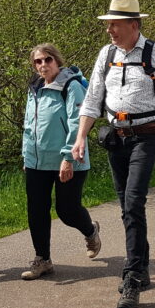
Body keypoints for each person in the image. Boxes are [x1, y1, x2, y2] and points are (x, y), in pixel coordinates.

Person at [72, 0, 155, 308]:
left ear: (134, 25)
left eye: (115, 24)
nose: (109, 30)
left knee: (133, 202)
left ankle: (132, 278)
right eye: (108, 24)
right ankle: (143, 267)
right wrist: (80, 138)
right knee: (127, 206)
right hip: (114, 139)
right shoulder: (106, 54)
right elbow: (92, 100)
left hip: (145, 137)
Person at [20, 44, 101, 281]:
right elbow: (28, 124)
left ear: (57, 60)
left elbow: (77, 122)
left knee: (67, 211)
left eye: (47, 59)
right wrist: (27, 156)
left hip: (68, 160)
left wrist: (67, 158)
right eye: (37, 61)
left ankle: (90, 231)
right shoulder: (34, 89)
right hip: (37, 161)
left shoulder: (71, 86)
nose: (43, 65)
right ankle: (42, 259)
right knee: (36, 210)